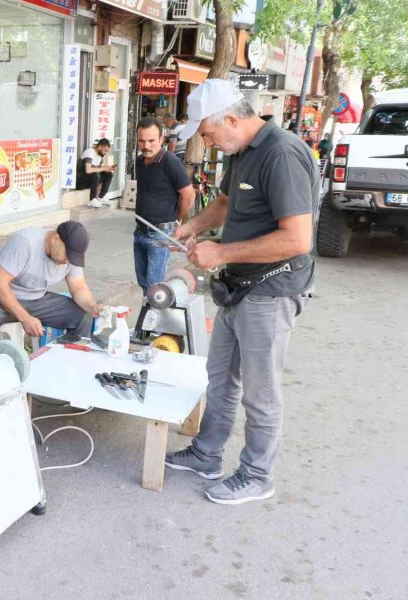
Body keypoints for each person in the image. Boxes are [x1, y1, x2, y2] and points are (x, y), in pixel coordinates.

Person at [164, 79, 317, 505]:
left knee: (260, 391)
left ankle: (256, 475)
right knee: (220, 378)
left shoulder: (281, 154)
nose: (207, 142)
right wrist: (193, 226)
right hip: (237, 286)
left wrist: (222, 251)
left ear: (232, 119)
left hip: (270, 289)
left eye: (209, 133)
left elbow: (297, 239)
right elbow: (227, 205)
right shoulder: (242, 152)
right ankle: (207, 454)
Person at [0, 221, 102, 361]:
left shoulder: (70, 256)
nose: (68, 261)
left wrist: (93, 306)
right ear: (56, 239)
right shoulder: (24, 243)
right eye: (67, 255)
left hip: (36, 298)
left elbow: (78, 287)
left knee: (83, 315)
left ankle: (72, 362)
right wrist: (25, 318)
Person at [133, 116, 195, 294]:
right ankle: (148, 319)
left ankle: (155, 320)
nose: (146, 146)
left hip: (160, 233)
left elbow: (188, 194)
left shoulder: (170, 162)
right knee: (144, 284)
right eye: (142, 140)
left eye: (151, 141)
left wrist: (178, 221)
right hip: (140, 231)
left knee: (155, 288)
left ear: (161, 139)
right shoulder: (140, 161)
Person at [76, 139, 116, 208]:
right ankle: (92, 199)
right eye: (105, 150)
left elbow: (102, 168)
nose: (105, 153)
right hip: (81, 182)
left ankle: (101, 197)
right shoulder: (89, 152)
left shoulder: (99, 156)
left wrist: (109, 168)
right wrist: (103, 168)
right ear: (100, 146)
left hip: (91, 181)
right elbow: (88, 170)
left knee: (109, 174)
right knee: (95, 174)